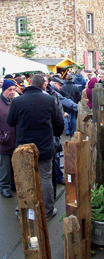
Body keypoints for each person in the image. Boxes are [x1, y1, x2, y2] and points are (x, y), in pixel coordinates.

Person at [7, 74, 64, 220]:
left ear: (29, 84)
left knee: (25, 177)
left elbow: (11, 122)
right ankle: (47, 211)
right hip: (44, 145)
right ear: (43, 86)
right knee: (45, 178)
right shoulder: (50, 100)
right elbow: (58, 122)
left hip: (24, 147)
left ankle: (24, 209)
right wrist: (55, 136)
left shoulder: (17, 101)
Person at [0, 79, 17, 198]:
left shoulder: (14, 102)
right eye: (9, 90)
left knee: (14, 164)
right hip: (3, 141)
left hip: (14, 139)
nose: (12, 92)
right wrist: (2, 137)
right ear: (3, 90)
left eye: (13, 89)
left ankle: (13, 183)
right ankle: (4, 186)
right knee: (4, 166)